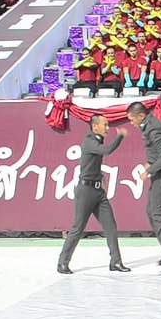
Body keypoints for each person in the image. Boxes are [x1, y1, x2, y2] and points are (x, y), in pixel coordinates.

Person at [56, 114, 131, 274]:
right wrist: (120, 136)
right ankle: (63, 262)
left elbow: (92, 163)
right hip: (85, 192)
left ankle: (115, 262)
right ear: (95, 126)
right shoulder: (90, 141)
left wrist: (101, 176)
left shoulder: (97, 139)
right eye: (104, 124)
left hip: (98, 191)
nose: (107, 127)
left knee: (110, 225)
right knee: (78, 228)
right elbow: (108, 150)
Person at [126, 101, 161, 267]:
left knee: (158, 214)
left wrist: (148, 171)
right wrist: (150, 162)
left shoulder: (154, 128)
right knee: (151, 211)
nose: (131, 123)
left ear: (141, 116)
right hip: (159, 174)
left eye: (132, 119)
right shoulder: (148, 125)